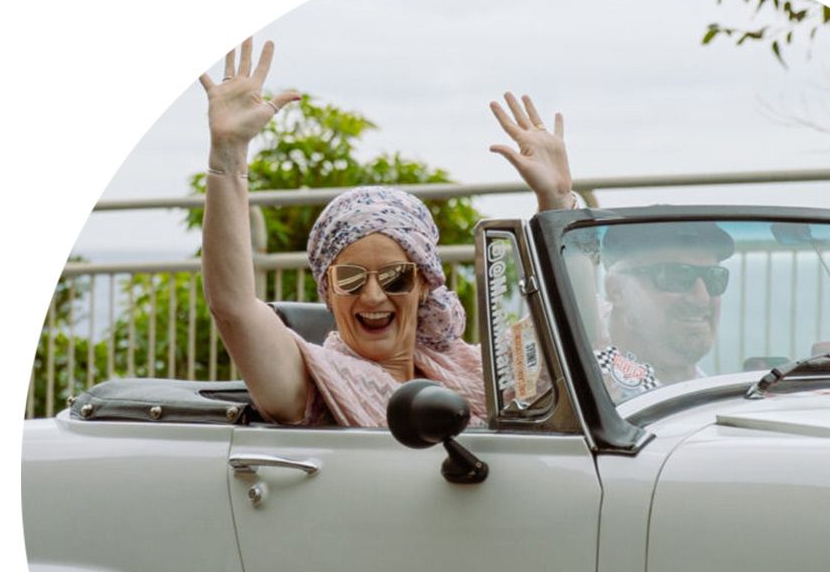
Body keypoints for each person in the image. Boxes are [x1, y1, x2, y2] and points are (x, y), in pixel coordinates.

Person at [199, 39, 575, 426]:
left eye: (396, 276)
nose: (373, 295)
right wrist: (228, 154)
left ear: (424, 283)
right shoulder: (317, 381)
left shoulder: (472, 369)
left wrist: (557, 202)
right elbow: (234, 308)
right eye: (350, 277)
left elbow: (565, 347)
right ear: (328, 290)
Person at [590, 221, 735, 400]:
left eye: (714, 277)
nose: (701, 298)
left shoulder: (724, 399)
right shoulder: (586, 393)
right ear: (616, 290)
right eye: (677, 276)